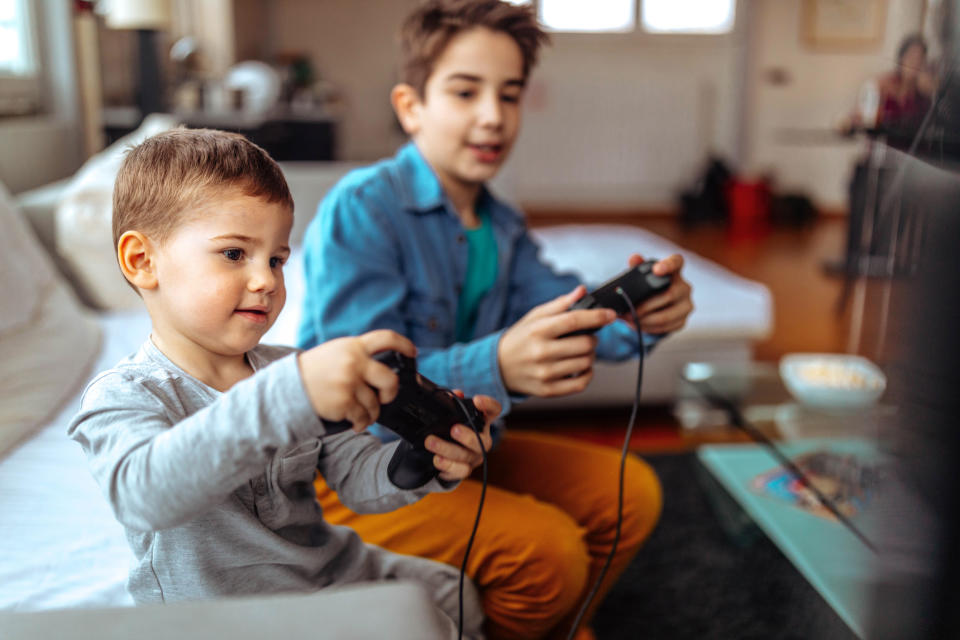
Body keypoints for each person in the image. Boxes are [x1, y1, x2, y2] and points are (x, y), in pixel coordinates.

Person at [297, 2, 693, 638]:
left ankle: (559, 625)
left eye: (510, 96)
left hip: (465, 451)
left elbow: (572, 314)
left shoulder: (502, 224)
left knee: (631, 493)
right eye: (465, 91)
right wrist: (498, 363)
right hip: (358, 475)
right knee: (550, 553)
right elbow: (361, 389)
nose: (493, 116)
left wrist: (641, 315)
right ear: (411, 106)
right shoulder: (363, 210)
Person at [67, 128, 500, 639]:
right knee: (418, 628)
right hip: (227, 619)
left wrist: (418, 461)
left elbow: (357, 477)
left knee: (453, 592)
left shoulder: (288, 368)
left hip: (325, 576)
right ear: (143, 261)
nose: (267, 280)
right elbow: (144, 494)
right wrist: (291, 395)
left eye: (276, 259)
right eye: (234, 254)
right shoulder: (127, 395)